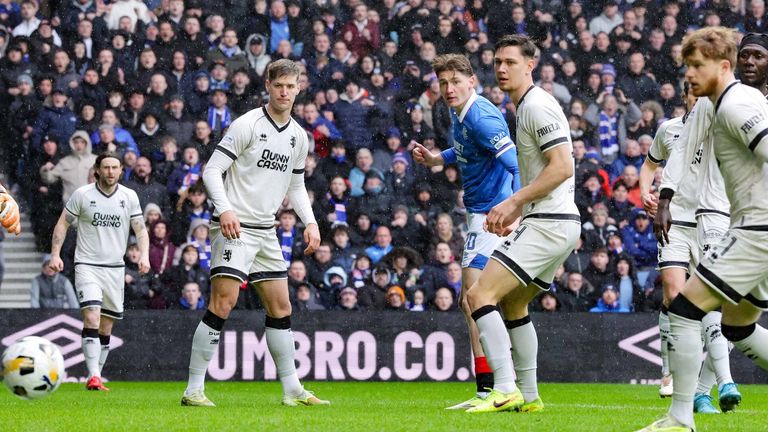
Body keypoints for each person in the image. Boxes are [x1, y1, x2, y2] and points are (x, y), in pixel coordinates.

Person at [637, 27, 768, 432]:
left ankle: (680, 417)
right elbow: (679, 154)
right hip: (749, 226)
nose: (689, 74)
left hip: (755, 230)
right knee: (738, 326)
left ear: (723, 66)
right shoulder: (712, 105)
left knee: (684, 308)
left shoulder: (736, 105)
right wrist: (665, 198)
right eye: (687, 66)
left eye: (697, 66)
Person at [182, 59, 328, 407]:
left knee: (281, 306)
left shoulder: (298, 137)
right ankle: (193, 389)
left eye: (290, 86)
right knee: (223, 303)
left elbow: (295, 185)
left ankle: (292, 390)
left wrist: (310, 222)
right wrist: (225, 209)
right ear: (267, 85)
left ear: (299, 88)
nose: (284, 92)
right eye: (279, 85)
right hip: (235, 226)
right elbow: (212, 171)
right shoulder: (247, 124)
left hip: (266, 229)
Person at [463, 35, 579, 413]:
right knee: (514, 303)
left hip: (549, 221)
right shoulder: (527, 105)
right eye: (497, 62)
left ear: (530, 65)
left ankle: (504, 387)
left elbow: (562, 167)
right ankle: (528, 397)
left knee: (478, 295)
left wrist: (513, 201)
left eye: (510, 62)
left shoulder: (537, 106)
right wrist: (518, 210)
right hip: (556, 220)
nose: (501, 68)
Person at [412, 53, 521, 410]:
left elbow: (516, 164)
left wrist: (514, 210)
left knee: (476, 299)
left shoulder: (481, 116)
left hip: (493, 215)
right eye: (443, 83)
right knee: (473, 301)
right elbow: (465, 150)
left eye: (455, 81)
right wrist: (436, 159)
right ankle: (493, 387)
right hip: (480, 215)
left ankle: (499, 387)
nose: (448, 88)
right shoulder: (461, 114)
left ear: (472, 81)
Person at [639, 82, 737, 407]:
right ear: (684, 98)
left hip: (713, 220)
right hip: (676, 221)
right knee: (674, 295)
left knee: (715, 304)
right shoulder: (669, 130)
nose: (697, 102)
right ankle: (672, 375)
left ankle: (701, 387)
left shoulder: (724, 124)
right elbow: (650, 164)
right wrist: (646, 193)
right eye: (692, 96)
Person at [48, 152, 149, 391]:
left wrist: (144, 255)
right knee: (92, 316)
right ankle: (93, 375)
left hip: (115, 268)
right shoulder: (83, 194)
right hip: (87, 265)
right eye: (106, 167)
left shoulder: (129, 196)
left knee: (105, 326)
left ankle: (97, 375)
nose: (110, 172)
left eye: (115, 167)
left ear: (121, 170)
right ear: (97, 170)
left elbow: (140, 230)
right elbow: (63, 223)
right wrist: (55, 254)